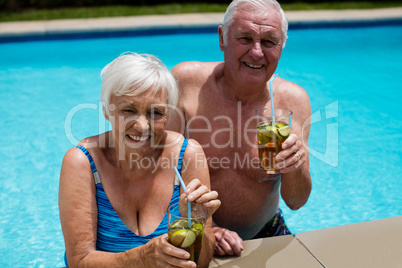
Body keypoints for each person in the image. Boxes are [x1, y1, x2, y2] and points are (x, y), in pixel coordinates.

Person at [167, 0, 312, 256]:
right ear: (223, 38)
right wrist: (209, 228)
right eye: (245, 38)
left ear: (282, 45)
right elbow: (159, 172)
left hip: (266, 232)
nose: (256, 52)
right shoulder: (186, 83)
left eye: (269, 42)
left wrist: (295, 165)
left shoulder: (292, 101)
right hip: (195, 230)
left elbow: (296, 201)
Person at [59, 52, 221, 268]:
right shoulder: (83, 163)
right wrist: (142, 258)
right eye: (128, 110)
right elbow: (79, 261)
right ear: (107, 110)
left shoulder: (188, 155)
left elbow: (200, 263)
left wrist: (197, 222)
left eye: (155, 113)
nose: (142, 126)